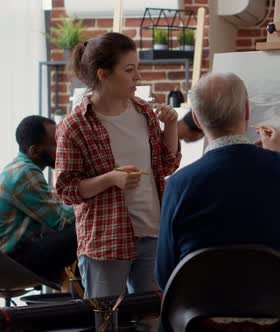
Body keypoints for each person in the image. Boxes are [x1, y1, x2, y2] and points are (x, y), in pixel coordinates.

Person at [155, 72, 280, 289]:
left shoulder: (178, 184)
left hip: (202, 313)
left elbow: (165, 274)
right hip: (277, 310)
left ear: (196, 118)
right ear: (247, 111)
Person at [55, 32, 181, 298]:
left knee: (151, 320)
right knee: (106, 321)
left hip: (152, 232)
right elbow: (66, 190)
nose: (138, 77)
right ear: (103, 74)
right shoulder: (74, 126)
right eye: (129, 70)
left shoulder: (144, 112)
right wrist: (110, 178)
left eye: (138, 69)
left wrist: (171, 126)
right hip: (105, 241)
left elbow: (167, 165)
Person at [0, 115, 76, 282]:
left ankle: (74, 295)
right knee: (83, 230)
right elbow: (61, 221)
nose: (64, 150)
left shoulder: (17, 168)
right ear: (34, 151)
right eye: (57, 145)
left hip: (12, 255)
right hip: (10, 262)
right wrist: (93, 201)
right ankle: (83, 299)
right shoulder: (25, 174)